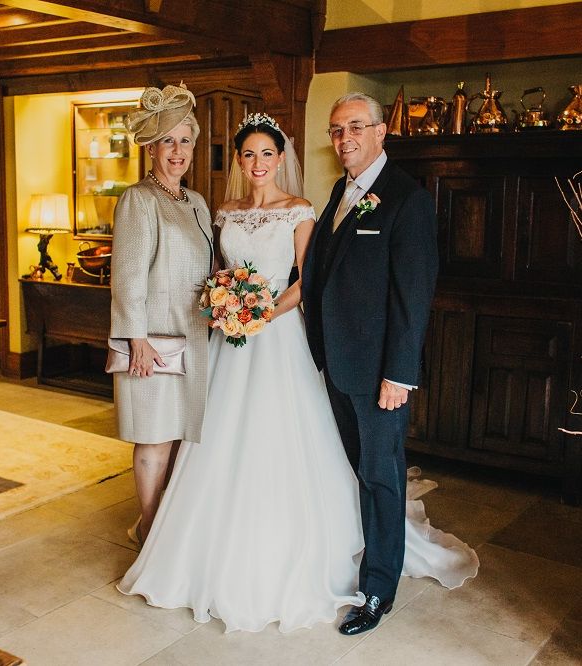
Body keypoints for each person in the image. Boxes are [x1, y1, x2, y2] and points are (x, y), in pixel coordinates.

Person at [118, 112, 478, 634]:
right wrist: (226, 303)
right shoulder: (224, 211)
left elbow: (311, 279)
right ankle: (200, 547)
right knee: (219, 442)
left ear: (281, 158)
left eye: (267, 153)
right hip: (232, 345)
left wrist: (261, 313)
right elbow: (218, 273)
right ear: (238, 162)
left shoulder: (308, 208)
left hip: (282, 339)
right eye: (248, 154)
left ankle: (373, 578)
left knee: (320, 451)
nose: (258, 162)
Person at [301, 92, 441, 635]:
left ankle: (378, 590)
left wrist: (399, 375)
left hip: (380, 373)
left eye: (356, 127)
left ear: (382, 132)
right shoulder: (341, 192)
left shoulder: (407, 199)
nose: (344, 139)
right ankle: (356, 557)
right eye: (337, 130)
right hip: (337, 365)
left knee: (382, 479)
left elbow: (413, 295)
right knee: (355, 472)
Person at [110, 83, 213, 545]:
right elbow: (127, 276)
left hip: (193, 338)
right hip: (153, 341)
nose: (178, 151)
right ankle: (148, 529)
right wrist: (136, 340)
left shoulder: (195, 202)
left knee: (178, 434)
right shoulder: (139, 199)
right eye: (168, 141)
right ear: (152, 147)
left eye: (185, 140)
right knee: (153, 438)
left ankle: (164, 523)